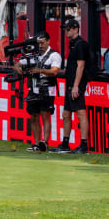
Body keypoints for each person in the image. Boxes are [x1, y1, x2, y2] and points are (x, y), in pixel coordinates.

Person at [13, 32, 61, 152]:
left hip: (47, 89)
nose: (40, 45)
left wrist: (39, 70)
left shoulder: (54, 55)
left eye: (42, 43)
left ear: (48, 41)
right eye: (38, 43)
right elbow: (17, 65)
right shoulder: (33, 55)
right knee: (33, 116)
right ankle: (36, 142)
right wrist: (21, 71)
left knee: (45, 115)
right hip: (33, 89)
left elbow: (54, 71)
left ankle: (44, 142)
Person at [52, 19, 90, 154]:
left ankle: (84, 145)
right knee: (66, 114)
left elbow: (81, 66)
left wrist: (76, 86)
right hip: (70, 83)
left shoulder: (80, 45)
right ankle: (65, 143)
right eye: (65, 29)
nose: (66, 32)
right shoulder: (73, 44)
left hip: (76, 83)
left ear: (75, 29)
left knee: (80, 112)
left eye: (68, 29)